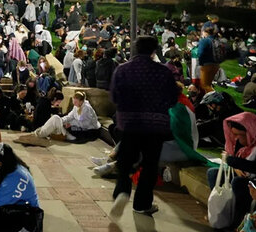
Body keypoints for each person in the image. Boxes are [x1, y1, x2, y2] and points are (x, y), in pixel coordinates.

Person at [109, 36, 178, 218]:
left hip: (130, 125)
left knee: (125, 162)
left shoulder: (123, 70)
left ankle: (122, 192)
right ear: (154, 51)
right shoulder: (163, 72)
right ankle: (142, 204)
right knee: (149, 165)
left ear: (135, 48)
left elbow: (114, 97)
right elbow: (172, 99)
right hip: (155, 128)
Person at [0, 143, 39, 211]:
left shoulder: (10, 183)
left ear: (0, 162)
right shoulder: (16, 166)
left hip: (21, 213)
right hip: (26, 205)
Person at [33, 91, 101, 142]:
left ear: (81, 101)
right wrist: (62, 120)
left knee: (55, 118)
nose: (74, 104)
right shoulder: (77, 106)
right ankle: (39, 132)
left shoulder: (87, 109)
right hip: (73, 129)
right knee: (56, 119)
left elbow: (85, 124)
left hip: (80, 133)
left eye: (76, 102)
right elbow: (70, 116)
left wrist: (70, 124)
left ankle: (38, 133)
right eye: (73, 102)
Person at [197, 25, 218, 94]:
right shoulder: (215, 40)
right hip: (216, 64)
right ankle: (208, 99)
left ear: (205, 32)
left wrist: (200, 63)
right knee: (208, 84)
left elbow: (200, 53)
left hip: (207, 65)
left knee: (204, 85)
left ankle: (215, 97)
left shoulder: (204, 41)